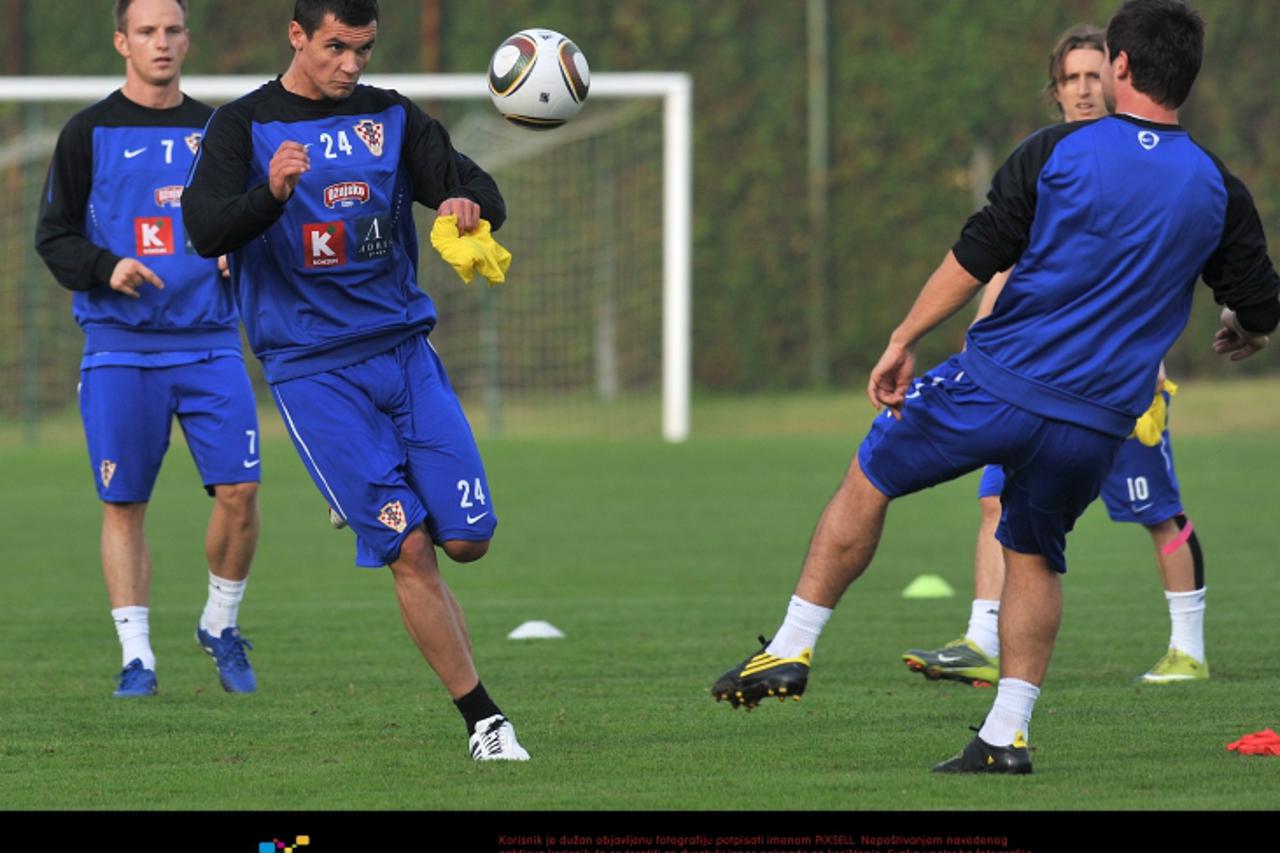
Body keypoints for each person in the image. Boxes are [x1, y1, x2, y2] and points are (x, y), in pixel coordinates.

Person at [711, 0, 1278, 774]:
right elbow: (1259, 300)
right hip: (1097, 423)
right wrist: (1245, 326)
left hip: (998, 385)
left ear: (1119, 67)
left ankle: (790, 648)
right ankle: (1004, 735)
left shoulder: (1056, 151)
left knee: (871, 472)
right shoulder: (1219, 188)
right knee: (1034, 555)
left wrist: (902, 338)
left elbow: (977, 254)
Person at [181, 0, 528, 761]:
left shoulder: (393, 119)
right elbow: (204, 230)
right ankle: (485, 722)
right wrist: (269, 195)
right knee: (409, 545)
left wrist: (470, 204)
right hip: (312, 368)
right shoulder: (241, 128)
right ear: (298, 35)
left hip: (405, 354)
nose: (350, 65)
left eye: (363, 50)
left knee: (468, 541)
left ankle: (366, 490)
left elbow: (480, 192)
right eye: (336, 47)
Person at [902, 25, 1209, 689]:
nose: (1083, 90)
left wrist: (1153, 361)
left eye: (1094, 75)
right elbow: (1003, 261)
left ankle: (1189, 644)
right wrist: (980, 339)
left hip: (1116, 384)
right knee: (995, 503)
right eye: (1070, 79)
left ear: (1120, 79)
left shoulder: (1144, 166)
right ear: (1056, 89)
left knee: (1157, 512)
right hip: (1030, 380)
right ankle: (983, 636)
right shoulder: (1044, 163)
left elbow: (1157, 274)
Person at [35, 0, 260, 698]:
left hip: (208, 344)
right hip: (120, 347)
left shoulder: (220, 132)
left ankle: (220, 623)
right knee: (125, 502)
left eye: (171, 31)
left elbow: (252, 220)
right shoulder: (87, 132)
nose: (160, 43)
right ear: (121, 42)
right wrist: (107, 267)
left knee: (242, 492)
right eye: (146, 32)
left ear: (187, 40)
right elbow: (54, 236)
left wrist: (238, 254)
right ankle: (138, 658)